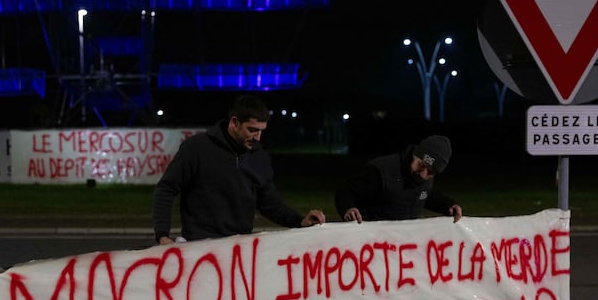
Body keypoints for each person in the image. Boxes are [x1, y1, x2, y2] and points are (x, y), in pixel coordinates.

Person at [152, 95, 325, 245]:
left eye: (261, 131)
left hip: (238, 250)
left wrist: (300, 220)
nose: (257, 137)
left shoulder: (259, 156)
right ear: (234, 122)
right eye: (252, 130)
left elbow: (270, 204)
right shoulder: (196, 148)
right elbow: (166, 189)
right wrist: (162, 235)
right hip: (199, 249)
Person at [334, 135, 462, 223]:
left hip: (399, 246)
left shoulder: (423, 178)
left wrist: (448, 205)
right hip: (370, 244)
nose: (423, 175)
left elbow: (425, 195)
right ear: (415, 155)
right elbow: (346, 190)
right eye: (421, 165)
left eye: (430, 172)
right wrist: (348, 208)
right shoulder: (381, 171)